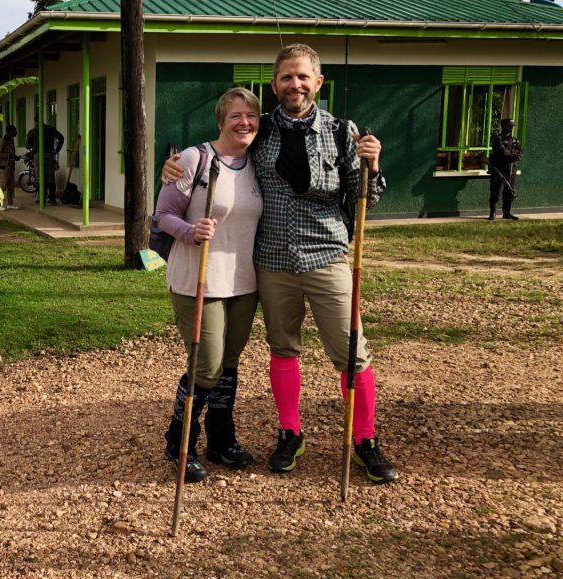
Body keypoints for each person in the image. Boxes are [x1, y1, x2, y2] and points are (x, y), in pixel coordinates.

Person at [162, 43, 398, 484]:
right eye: (287, 77)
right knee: (282, 349)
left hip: (327, 256)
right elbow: (219, 153)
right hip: (270, 262)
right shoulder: (260, 129)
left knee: (352, 352)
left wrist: (374, 166)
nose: (295, 85)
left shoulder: (342, 132)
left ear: (318, 82)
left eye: (303, 77)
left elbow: (365, 197)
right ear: (274, 85)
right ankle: (290, 433)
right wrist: (172, 169)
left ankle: (365, 440)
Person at [155, 87, 264, 482]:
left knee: (229, 365)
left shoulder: (259, 162)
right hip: (196, 278)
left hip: (244, 282)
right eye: (235, 115)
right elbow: (162, 213)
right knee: (207, 364)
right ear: (221, 120)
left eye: (251, 115)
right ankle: (180, 440)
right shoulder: (193, 159)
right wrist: (190, 230)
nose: (244, 122)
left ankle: (222, 439)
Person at [489, 117, 523, 220]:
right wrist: (513, 155)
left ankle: (507, 213)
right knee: (496, 191)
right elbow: (502, 153)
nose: (511, 128)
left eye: (512, 126)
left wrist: (513, 155)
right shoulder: (498, 139)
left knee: (509, 191)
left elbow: (520, 153)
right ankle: (492, 213)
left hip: (511, 169)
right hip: (500, 169)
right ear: (503, 126)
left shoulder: (515, 140)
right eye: (509, 125)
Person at [26, 122, 64, 205]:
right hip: (49, 154)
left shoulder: (32, 131)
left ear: (35, 121)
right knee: (50, 177)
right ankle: (52, 199)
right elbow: (61, 138)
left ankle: (42, 199)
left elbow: (27, 146)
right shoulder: (50, 129)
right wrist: (57, 150)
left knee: (39, 177)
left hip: (38, 155)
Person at [0, 124, 20, 210]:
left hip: (10, 167)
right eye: (14, 131)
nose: (16, 133)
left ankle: (10, 203)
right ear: (9, 132)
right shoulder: (2, 141)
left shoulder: (11, 141)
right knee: (3, 185)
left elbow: (11, 153)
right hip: (3, 167)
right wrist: (9, 156)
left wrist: (15, 157)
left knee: (10, 186)